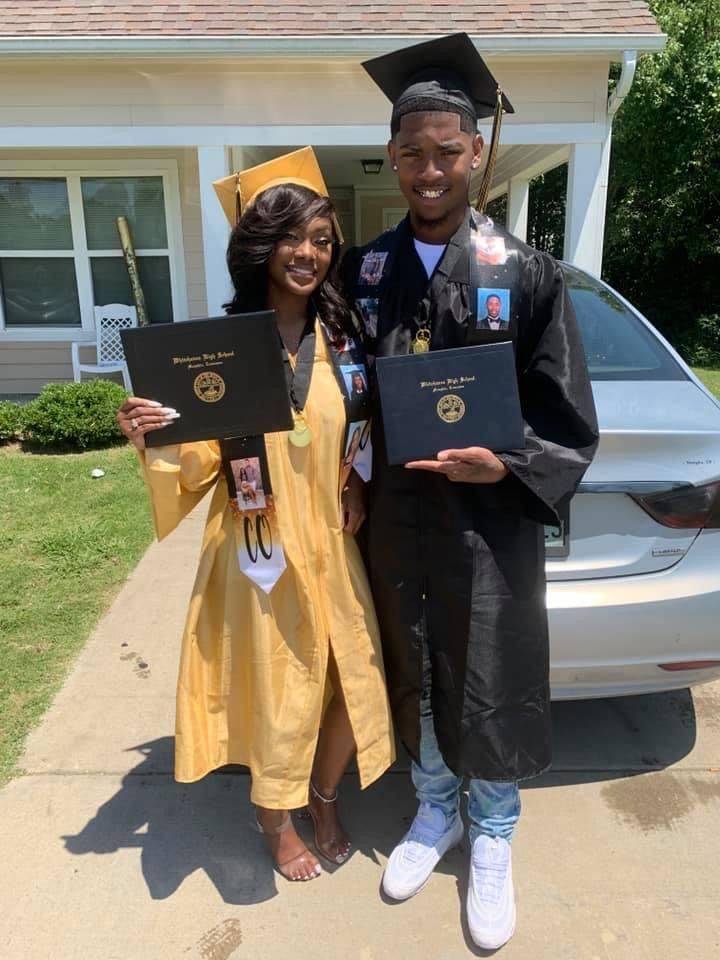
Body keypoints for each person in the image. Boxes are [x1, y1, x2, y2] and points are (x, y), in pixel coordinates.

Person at [341, 33, 599, 949]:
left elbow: (566, 417)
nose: (429, 169)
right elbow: (325, 381)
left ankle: (492, 836)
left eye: (448, 150)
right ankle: (433, 809)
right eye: (411, 152)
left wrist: (509, 464)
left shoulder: (523, 272)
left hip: (488, 520)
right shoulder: (364, 273)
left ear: (476, 153)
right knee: (413, 666)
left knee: (484, 673)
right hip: (398, 519)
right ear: (393, 155)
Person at [117, 147, 394, 883]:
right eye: (291, 237)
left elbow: (361, 433)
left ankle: (324, 795)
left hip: (331, 543)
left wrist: (356, 480)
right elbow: (199, 464)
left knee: (351, 677)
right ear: (260, 246)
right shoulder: (219, 347)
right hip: (257, 543)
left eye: (322, 239)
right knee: (276, 687)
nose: (308, 253)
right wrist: (154, 434)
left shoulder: (345, 340)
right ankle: (275, 817)